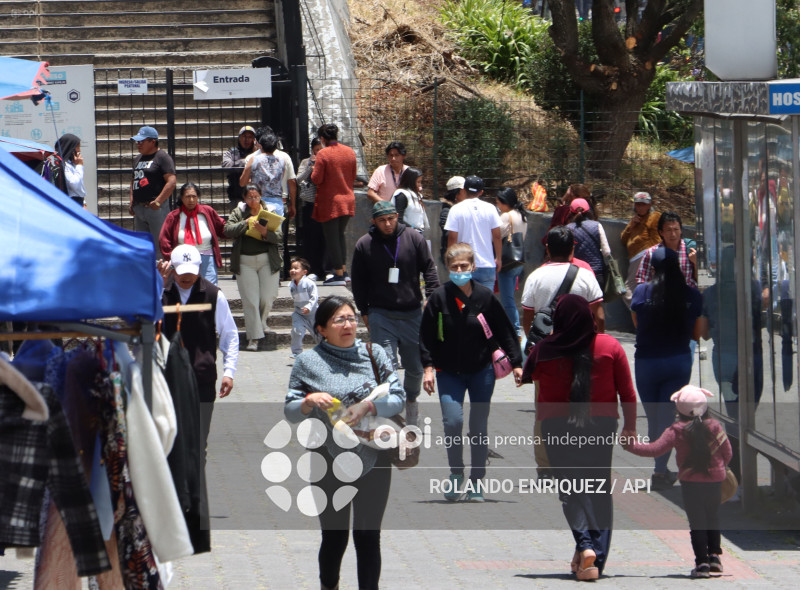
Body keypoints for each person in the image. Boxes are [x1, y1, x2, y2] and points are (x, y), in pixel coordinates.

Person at [284, 295, 405, 590]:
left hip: (374, 456)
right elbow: (290, 411)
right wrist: (308, 401)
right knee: (334, 536)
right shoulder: (308, 362)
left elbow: (398, 398)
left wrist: (369, 406)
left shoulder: (374, 353)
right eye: (339, 320)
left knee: (368, 535)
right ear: (322, 329)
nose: (348, 325)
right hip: (326, 459)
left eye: (351, 318)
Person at [520, 294, 637, 580]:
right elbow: (627, 393)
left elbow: (529, 375)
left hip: (557, 427)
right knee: (599, 489)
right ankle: (596, 556)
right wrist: (630, 427)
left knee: (571, 489)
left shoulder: (546, 349)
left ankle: (585, 546)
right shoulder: (610, 346)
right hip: (602, 426)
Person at [420, 243, 523, 502]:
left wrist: (517, 364)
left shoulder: (485, 297)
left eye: (464, 266)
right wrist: (428, 368)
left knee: (478, 426)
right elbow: (426, 337)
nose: (459, 271)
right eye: (454, 267)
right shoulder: (439, 297)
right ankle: (456, 473)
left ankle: (477, 481)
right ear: (447, 268)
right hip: (448, 372)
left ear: (473, 267)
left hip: (481, 371)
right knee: (452, 422)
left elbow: (505, 331)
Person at [623, 385, 732, 578]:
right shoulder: (715, 427)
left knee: (697, 523)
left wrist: (630, 445)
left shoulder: (676, 430)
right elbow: (728, 453)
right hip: (715, 482)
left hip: (691, 484)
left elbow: (654, 450)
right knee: (712, 517)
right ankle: (715, 557)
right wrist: (720, 467)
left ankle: (702, 564)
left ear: (678, 409)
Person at [351, 201, 440, 426]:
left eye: (391, 219)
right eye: (382, 220)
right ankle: (392, 410)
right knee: (386, 366)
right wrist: (364, 311)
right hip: (381, 314)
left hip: (412, 313)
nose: (388, 224)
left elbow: (430, 269)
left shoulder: (414, 238)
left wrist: (432, 299)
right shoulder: (364, 244)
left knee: (415, 368)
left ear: (397, 216)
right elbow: (358, 282)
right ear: (374, 221)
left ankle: (411, 400)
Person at [631, 246, 703, 489]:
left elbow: (637, 323)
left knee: (653, 417)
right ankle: (661, 471)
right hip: (678, 362)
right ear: (679, 267)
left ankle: (660, 469)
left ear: (653, 269)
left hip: (647, 363)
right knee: (668, 416)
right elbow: (697, 334)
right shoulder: (691, 295)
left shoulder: (641, 292)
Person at [158, 244, 238, 453]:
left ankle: (198, 473)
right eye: (181, 272)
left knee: (199, 442)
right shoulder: (161, 292)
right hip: (168, 377)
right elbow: (145, 321)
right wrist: (158, 285)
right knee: (171, 442)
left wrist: (229, 372)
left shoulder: (213, 295)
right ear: (172, 269)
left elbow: (229, 334)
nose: (186, 277)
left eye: (191, 273)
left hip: (202, 376)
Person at [224, 185, 282, 351]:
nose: (253, 201)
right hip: (245, 261)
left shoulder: (269, 211)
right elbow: (228, 230)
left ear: (261, 196)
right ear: (244, 198)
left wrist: (264, 232)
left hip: (267, 260)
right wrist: (245, 223)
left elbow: (279, 236)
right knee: (250, 300)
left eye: (256, 197)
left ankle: (261, 322)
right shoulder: (239, 212)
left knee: (267, 297)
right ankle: (253, 338)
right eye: (250, 197)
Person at [521, 226, 605, 338]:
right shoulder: (586, 276)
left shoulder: (534, 277)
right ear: (572, 249)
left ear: (547, 249)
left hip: (547, 344)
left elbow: (528, 317)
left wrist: (536, 344)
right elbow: (599, 317)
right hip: (578, 343)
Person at [311, 123, 357, 286]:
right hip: (348, 199)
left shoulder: (323, 154)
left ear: (322, 139)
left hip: (331, 202)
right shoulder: (349, 152)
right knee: (340, 235)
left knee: (332, 239)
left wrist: (313, 168)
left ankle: (338, 274)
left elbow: (316, 178)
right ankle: (344, 271)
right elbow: (353, 175)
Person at [159, 182, 226, 285]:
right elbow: (164, 239)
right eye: (187, 197)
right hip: (184, 260)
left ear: (198, 197)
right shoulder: (173, 216)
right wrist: (172, 257)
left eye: (194, 196)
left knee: (210, 288)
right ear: (182, 198)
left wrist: (238, 227)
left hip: (207, 258)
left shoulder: (207, 212)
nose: (191, 200)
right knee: (187, 287)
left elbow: (222, 228)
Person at [444, 175, 502, 290]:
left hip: (463, 264)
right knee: (486, 300)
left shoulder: (456, 209)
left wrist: (450, 260)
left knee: (463, 299)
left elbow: (452, 237)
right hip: (487, 264)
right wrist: (498, 258)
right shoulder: (491, 208)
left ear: (464, 190)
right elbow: (497, 236)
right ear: (481, 192)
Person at [128, 126, 177, 249]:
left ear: (153, 141)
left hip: (156, 209)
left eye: (141, 141)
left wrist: (158, 201)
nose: (138, 144)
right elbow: (134, 180)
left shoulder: (162, 157)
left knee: (160, 245)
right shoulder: (138, 158)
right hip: (139, 208)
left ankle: (161, 263)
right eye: (137, 142)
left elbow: (171, 181)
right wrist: (132, 201)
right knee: (142, 246)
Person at [243, 125, 298, 219]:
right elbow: (292, 182)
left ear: (258, 142)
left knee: (257, 227)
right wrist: (293, 204)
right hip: (280, 202)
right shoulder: (284, 157)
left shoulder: (251, 158)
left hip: (257, 203)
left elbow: (246, 182)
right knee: (278, 228)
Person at [495, 187, 528, 337]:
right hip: (518, 260)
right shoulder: (522, 215)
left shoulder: (506, 216)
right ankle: (514, 329)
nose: (497, 206)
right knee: (510, 298)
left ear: (505, 202)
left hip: (507, 261)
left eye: (498, 203)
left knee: (507, 300)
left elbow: (495, 236)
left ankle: (515, 331)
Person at [635, 211, 698, 288]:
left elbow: (700, 281)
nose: (673, 234)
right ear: (661, 232)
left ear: (681, 230)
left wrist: (695, 263)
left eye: (676, 229)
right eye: (669, 230)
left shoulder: (690, 250)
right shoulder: (651, 253)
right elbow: (641, 281)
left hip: (687, 294)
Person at [620, 191, 661, 308]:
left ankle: (641, 312)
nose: (640, 207)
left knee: (629, 289)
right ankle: (643, 312)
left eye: (643, 204)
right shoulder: (635, 220)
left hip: (643, 256)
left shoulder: (654, 217)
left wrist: (651, 256)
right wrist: (631, 226)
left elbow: (657, 239)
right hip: (634, 259)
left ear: (649, 205)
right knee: (639, 289)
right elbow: (623, 239)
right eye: (638, 204)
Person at [566, 197, 611, 290]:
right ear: (589, 211)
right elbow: (607, 252)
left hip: (575, 273)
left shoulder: (568, 228)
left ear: (570, 212)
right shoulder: (597, 225)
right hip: (596, 272)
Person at [296, 137, 325, 280]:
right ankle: (312, 269)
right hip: (310, 204)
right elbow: (298, 179)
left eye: (321, 149)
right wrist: (310, 167)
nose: (319, 152)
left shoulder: (327, 161)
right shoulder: (305, 162)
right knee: (311, 238)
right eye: (316, 150)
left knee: (324, 238)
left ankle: (325, 270)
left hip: (325, 204)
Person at [288, 257, 320, 358]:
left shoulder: (309, 283)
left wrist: (309, 307)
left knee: (319, 335)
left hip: (313, 314)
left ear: (304, 272)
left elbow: (314, 297)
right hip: (299, 314)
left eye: (296, 268)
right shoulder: (291, 285)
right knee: (296, 331)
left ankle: (325, 351)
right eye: (291, 268)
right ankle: (297, 352)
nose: (292, 270)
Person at [221, 125, 258, 205]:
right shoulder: (231, 152)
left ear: (254, 140)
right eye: (244, 136)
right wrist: (247, 161)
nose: (247, 139)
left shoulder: (258, 153)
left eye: (250, 137)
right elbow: (226, 165)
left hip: (255, 197)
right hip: (236, 196)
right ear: (239, 138)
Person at [390, 167, 428, 234]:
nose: (420, 185)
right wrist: (412, 228)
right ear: (411, 181)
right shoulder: (402, 195)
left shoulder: (416, 195)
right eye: (418, 182)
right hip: (406, 233)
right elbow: (398, 219)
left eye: (420, 182)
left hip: (417, 232)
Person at [439, 175, 466, 262]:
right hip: (454, 256)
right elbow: (448, 234)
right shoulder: (447, 211)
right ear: (457, 193)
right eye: (464, 190)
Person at [55, 133, 86, 207]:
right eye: (77, 147)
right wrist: (79, 166)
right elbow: (74, 184)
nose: (79, 150)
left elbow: (80, 186)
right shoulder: (64, 165)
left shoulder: (72, 163)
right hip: (72, 201)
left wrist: (84, 202)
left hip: (78, 200)